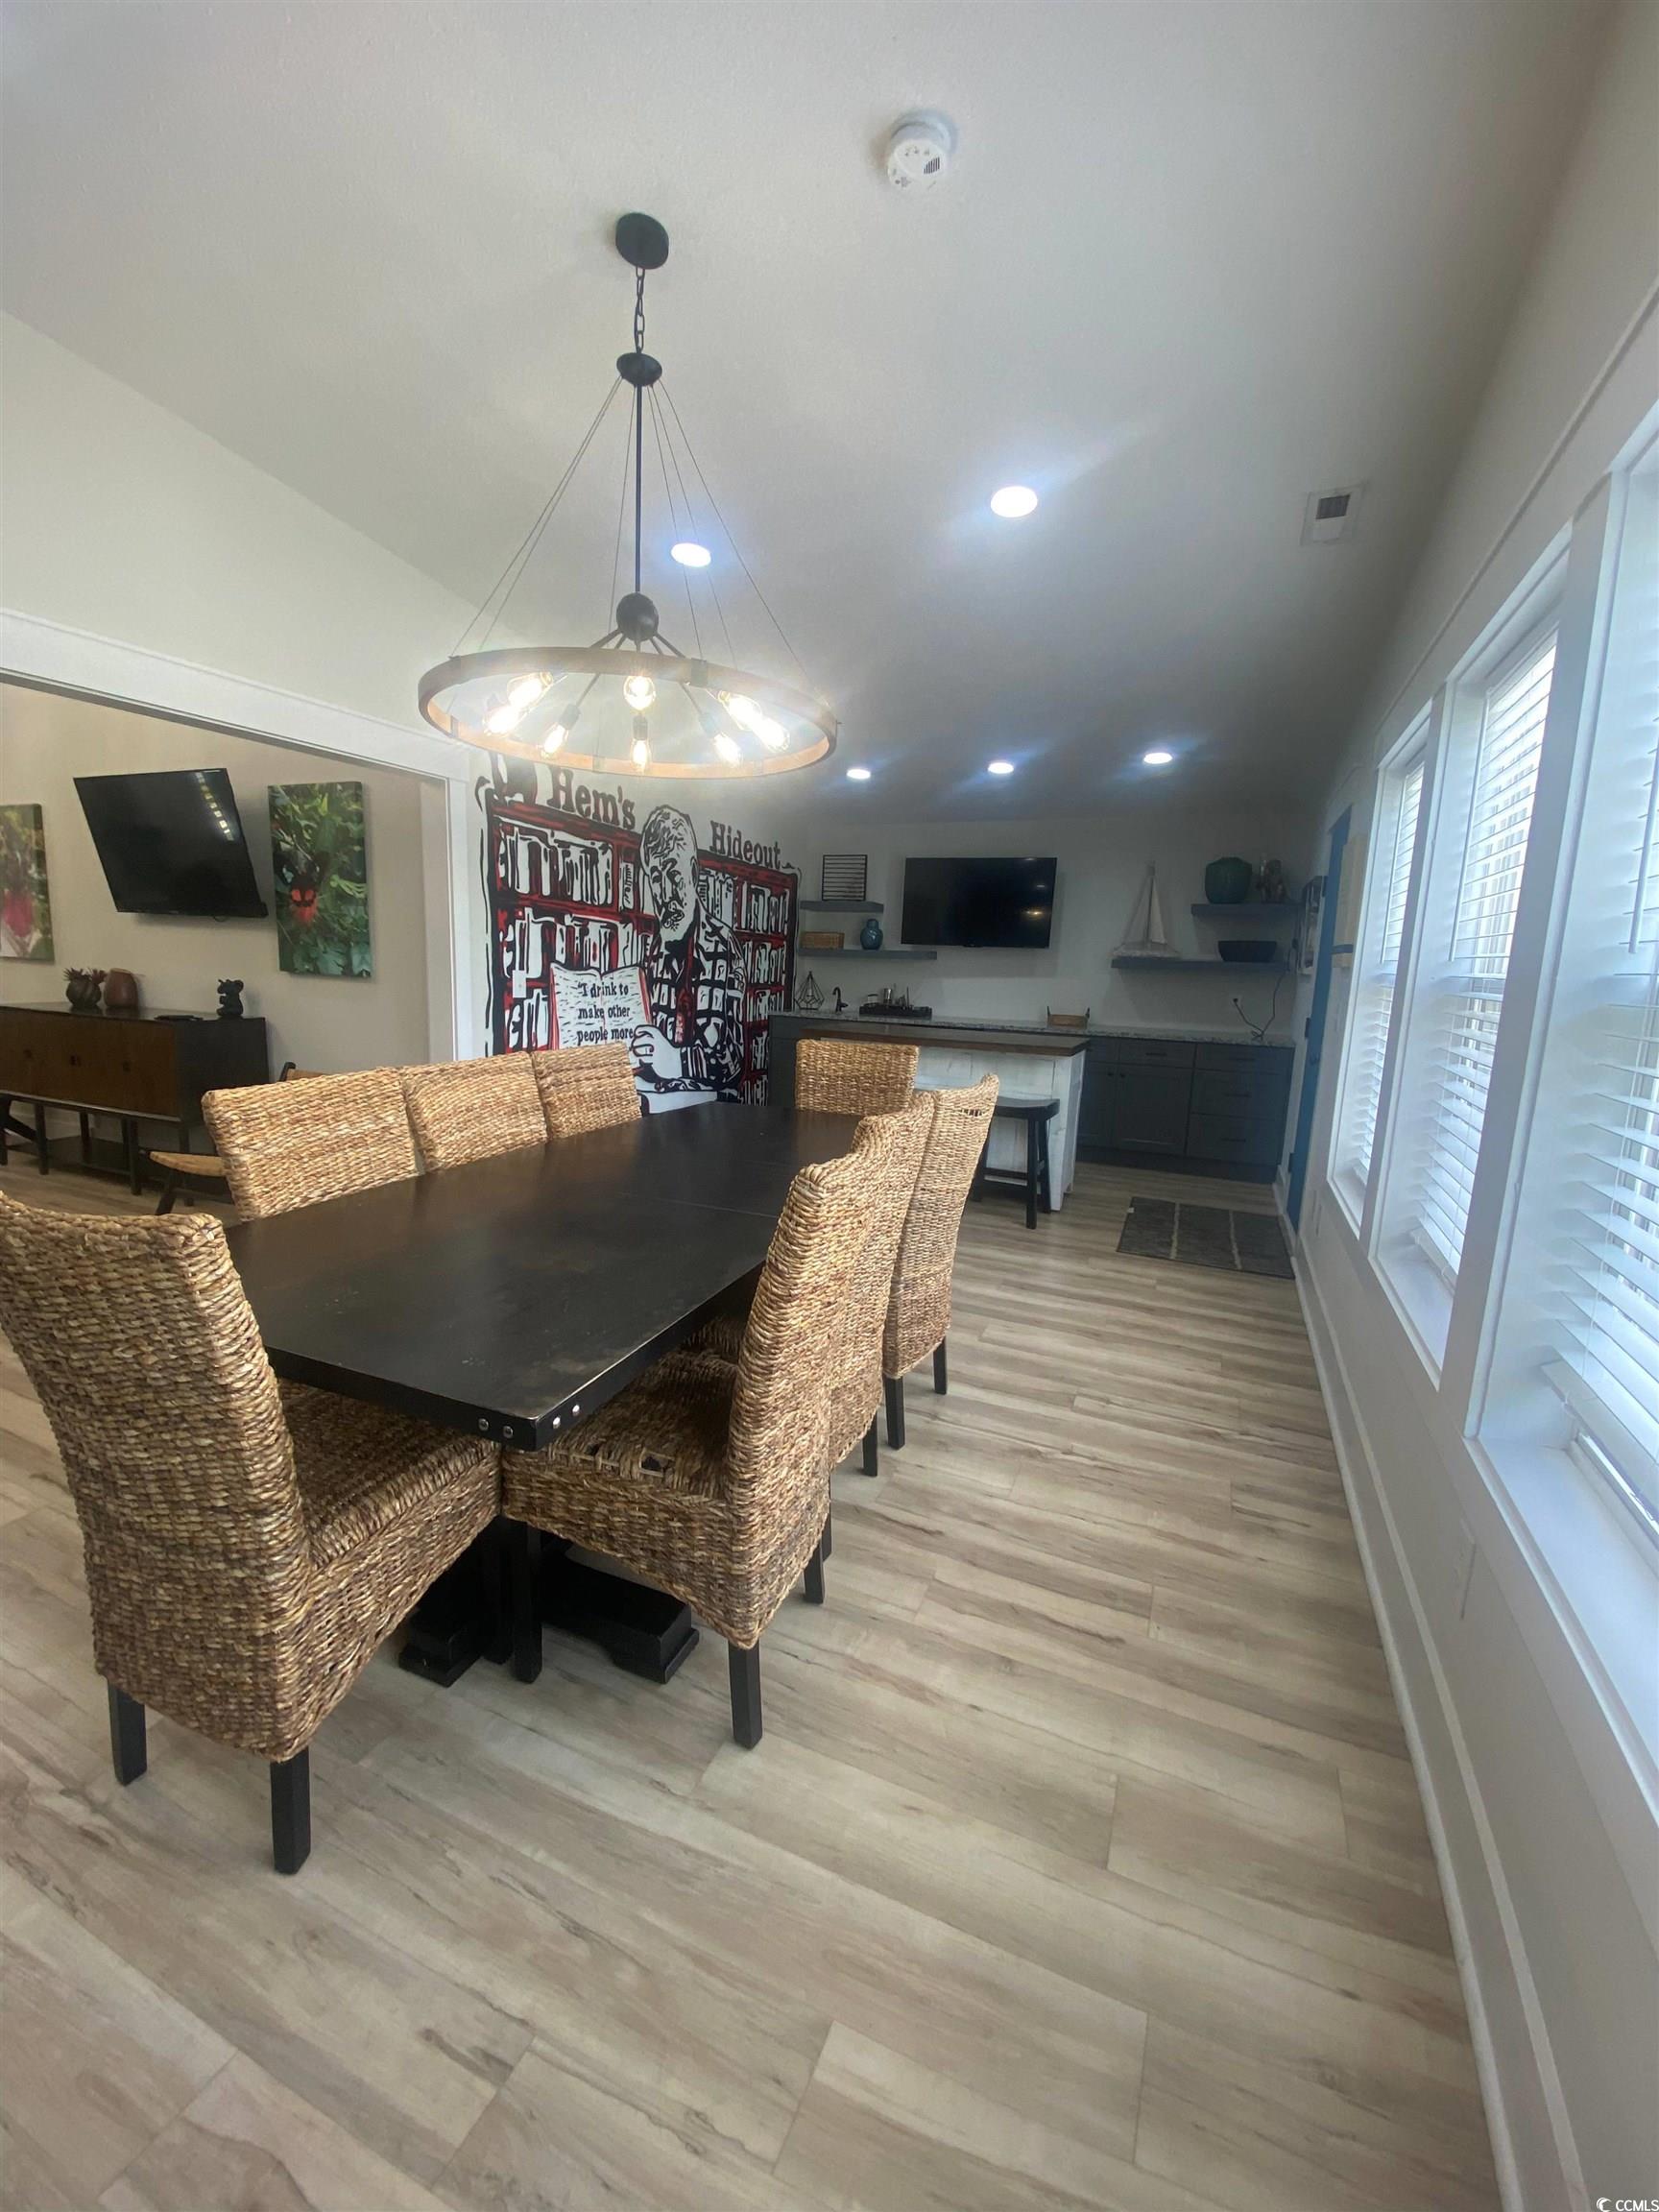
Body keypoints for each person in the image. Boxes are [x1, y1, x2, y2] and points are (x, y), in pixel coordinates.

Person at [630, 804, 748, 1100]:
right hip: (659, 1107)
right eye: (655, 878)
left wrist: (677, 1061)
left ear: (693, 873)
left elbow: (733, 1059)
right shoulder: (652, 955)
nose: (665, 892)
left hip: (712, 1115)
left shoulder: (724, 947)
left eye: (673, 873)